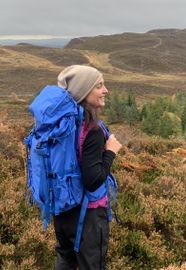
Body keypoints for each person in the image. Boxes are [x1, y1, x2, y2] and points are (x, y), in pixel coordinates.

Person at [53, 65, 122, 270]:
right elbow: (92, 181)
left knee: (65, 260)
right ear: (84, 91)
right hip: (88, 215)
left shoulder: (61, 122)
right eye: (99, 86)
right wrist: (110, 151)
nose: (105, 90)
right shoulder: (91, 128)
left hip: (62, 207)